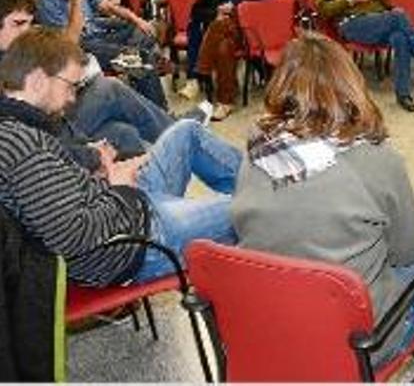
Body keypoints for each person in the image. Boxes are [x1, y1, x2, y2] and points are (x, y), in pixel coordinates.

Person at [232, 33, 414, 367]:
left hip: (268, 324)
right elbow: (406, 252)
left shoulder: (256, 149)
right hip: (356, 343)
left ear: (281, 85)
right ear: (350, 85)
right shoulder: (378, 159)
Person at [0, 27, 241, 286]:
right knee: (257, 207)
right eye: (70, 86)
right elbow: (75, 236)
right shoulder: (21, 144)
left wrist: (107, 176)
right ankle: (270, 197)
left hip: (126, 213)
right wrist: (120, 187)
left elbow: (60, 199)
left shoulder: (20, 129)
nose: (72, 98)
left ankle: (259, 186)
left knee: (187, 131)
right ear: (37, 80)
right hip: (131, 247)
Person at [0, 0, 204, 158]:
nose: (25, 32)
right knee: (109, 89)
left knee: (124, 133)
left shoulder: (15, 49)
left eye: (28, 24)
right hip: (37, 139)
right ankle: (176, 131)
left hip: (53, 122)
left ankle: (143, 199)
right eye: (18, 24)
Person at [36, 0, 167, 109]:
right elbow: (71, 41)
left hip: (101, 33)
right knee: (143, 59)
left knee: (144, 30)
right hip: (82, 45)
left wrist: (137, 20)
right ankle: (160, 110)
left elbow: (110, 7)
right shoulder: (46, 2)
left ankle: (130, 61)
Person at [191, 0, 274, 121]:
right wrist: (216, 10)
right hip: (226, 36)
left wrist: (236, 6)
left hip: (251, 34)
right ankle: (225, 102)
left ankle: (202, 70)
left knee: (222, 23)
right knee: (223, 47)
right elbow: (196, 12)